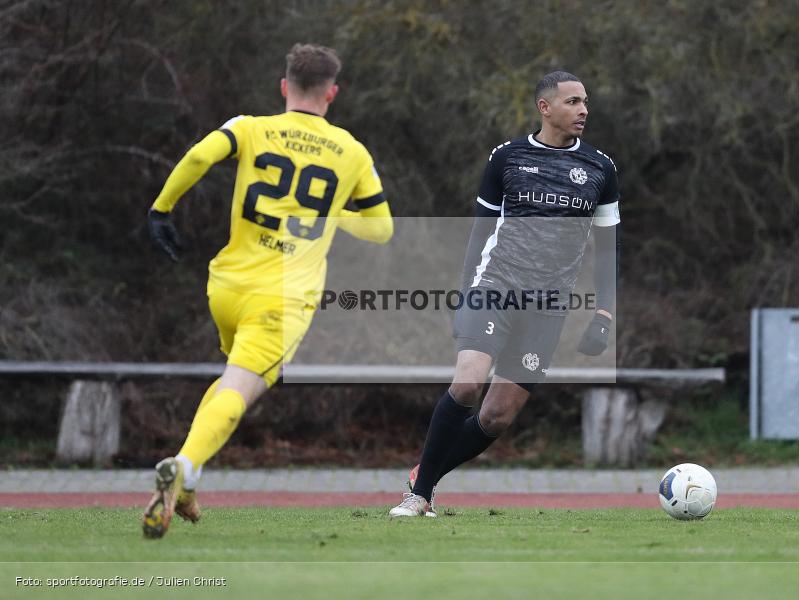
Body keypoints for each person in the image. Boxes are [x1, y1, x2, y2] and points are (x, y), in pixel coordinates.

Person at [142, 43, 393, 538]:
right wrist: (330, 214)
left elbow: (198, 157)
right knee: (241, 388)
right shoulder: (351, 151)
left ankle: (186, 489)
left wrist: (160, 209)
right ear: (332, 93)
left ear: (285, 86)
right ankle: (184, 467)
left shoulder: (248, 127)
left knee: (233, 380)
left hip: (227, 286)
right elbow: (382, 229)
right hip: (283, 297)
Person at [390, 71, 619, 517]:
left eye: (585, 101)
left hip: (549, 307)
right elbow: (478, 235)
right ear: (545, 107)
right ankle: (418, 498)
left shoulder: (601, 168)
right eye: (572, 102)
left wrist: (605, 314)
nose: (584, 110)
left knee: (497, 417)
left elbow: (609, 250)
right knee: (469, 380)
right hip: (496, 287)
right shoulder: (507, 157)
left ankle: (425, 475)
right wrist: (464, 295)